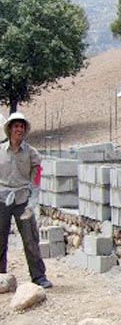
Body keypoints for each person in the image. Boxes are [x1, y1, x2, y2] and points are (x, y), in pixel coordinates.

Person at [0, 112, 53, 288]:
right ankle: (1, 276)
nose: (19, 130)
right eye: (16, 126)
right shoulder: (0, 151)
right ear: (9, 130)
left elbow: (36, 180)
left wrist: (32, 203)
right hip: (2, 200)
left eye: (22, 127)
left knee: (30, 239)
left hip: (23, 200)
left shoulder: (32, 154)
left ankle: (39, 277)